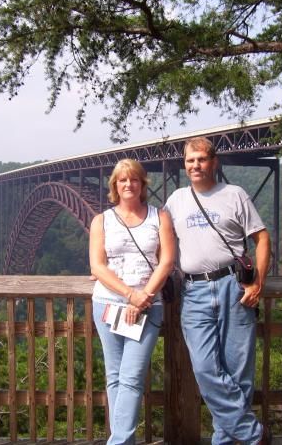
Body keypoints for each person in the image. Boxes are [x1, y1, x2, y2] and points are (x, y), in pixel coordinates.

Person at [164, 137, 272, 445]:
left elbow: (263, 240)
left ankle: (224, 441)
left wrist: (258, 283)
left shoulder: (234, 195)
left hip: (233, 286)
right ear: (184, 165)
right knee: (205, 368)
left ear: (214, 162)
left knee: (238, 372)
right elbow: (156, 242)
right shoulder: (176, 201)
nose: (195, 165)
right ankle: (255, 435)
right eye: (190, 160)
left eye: (201, 159)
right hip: (194, 290)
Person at [89, 158, 175, 444]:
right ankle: (124, 439)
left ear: (142, 184)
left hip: (148, 306)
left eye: (134, 179)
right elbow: (98, 267)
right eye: (123, 180)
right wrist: (130, 295)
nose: (129, 184)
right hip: (108, 303)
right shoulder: (101, 220)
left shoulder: (159, 216)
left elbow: (166, 262)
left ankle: (119, 442)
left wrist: (141, 299)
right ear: (115, 185)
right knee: (114, 376)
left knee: (131, 376)